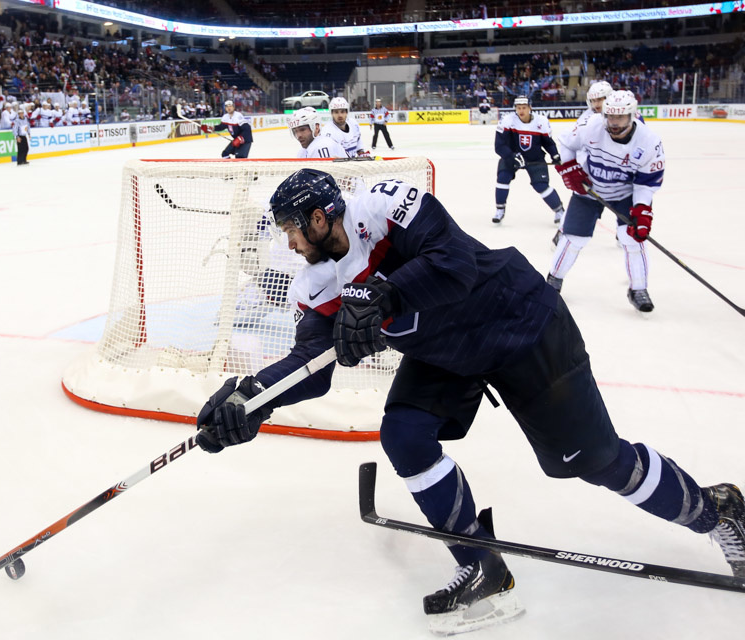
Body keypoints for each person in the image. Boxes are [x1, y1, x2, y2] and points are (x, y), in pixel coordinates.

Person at [193, 168, 745, 635]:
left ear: (318, 218)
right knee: (404, 434)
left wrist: (382, 294)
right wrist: (250, 400)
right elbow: (310, 367)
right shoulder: (315, 283)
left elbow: (453, 262)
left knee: (593, 460)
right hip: (446, 351)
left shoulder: (383, 205)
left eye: (291, 228)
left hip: (518, 320)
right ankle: (483, 567)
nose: (287, 242)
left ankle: (717, 510)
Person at [548, 90, 661, 312]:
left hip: (625, 193)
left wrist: (642, 209)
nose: (614, 122)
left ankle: (638, 288)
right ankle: (554, 279)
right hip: (590, 190)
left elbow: (646, 183)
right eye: (611, 116)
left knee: (633, 241)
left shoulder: (649, 142)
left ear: (632, 116)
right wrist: (569, 168)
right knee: (573, 239)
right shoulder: (591, 126)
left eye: (620, 117)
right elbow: (566, 144)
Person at [552, 80, 614, 246]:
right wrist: (572, 168)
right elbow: (568, 141)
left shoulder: (624, 115)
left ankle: (625, 235)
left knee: (624, 201)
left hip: (617, 171)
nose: (596, 104)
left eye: (600, 99)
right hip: (591, 172)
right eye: (593, 100)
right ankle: (563, 231)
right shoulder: (587, 118)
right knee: (580, 201)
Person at [492, 95, 564, 225]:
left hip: (535, 158)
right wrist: (512, 156)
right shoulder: (507, 120)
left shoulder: (541, 121)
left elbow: (548, 143)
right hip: (512, 157)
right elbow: (499, 146)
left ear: (530, 108)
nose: (521, 111)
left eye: (524, 108)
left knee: (541, 185)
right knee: (502, 178)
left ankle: (559, 211)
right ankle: (500, 210)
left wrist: (555, 155)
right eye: (518, 108)